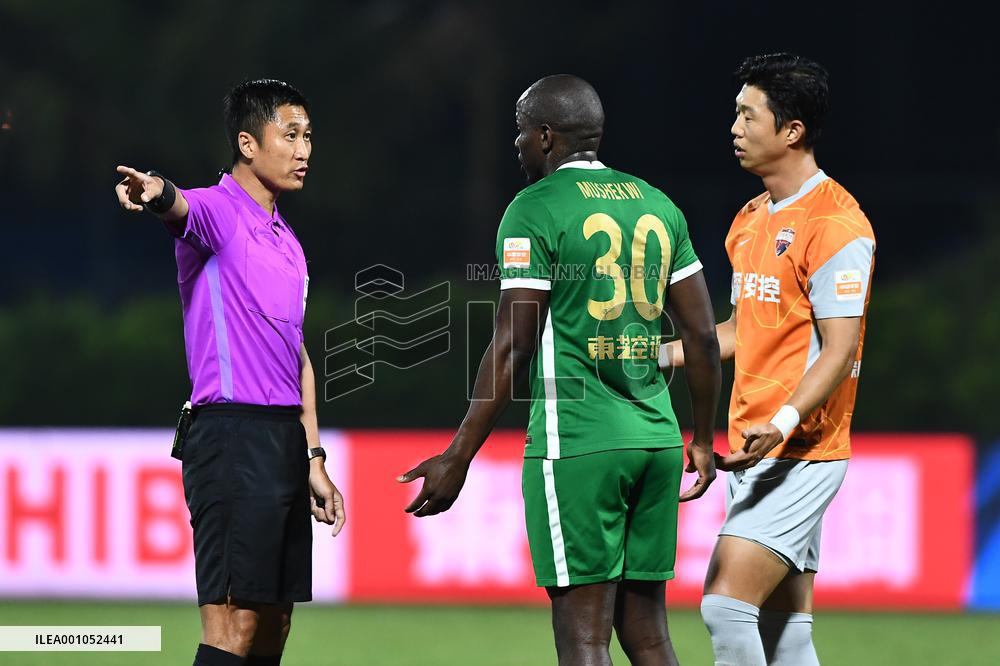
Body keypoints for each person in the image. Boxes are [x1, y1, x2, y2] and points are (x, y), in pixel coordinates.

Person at [398, 74, 721, 666]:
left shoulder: (535, 208)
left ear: (546, 137)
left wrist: (458, 454)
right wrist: (701, 438)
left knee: (583, 637)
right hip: (656, 441)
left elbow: (513, 345)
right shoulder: (657, 203)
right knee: (648, 634)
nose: (516, 144)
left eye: (520, 132)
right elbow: (701, 335)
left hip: (579, 444)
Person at [114, 79, 345, 666]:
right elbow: (177, 204)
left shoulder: (288, 243)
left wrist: (313, 455)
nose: (304, 151)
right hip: (230, 436)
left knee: (273, 623)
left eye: (309, 136)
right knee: (232, 626)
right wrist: (152, 190)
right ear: (247, 143)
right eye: (289, 135)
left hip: (284, 442)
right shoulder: (217, 211)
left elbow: (296, 353)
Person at [660, 53, 875, 665]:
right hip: (753, 445)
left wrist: (780, 424)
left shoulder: (837, 223)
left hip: (799, 449)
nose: (734, 128)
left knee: (724, 606)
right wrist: (658, 355)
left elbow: (840, 350)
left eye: (747, 116)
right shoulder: (750, 220)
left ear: (791, 131)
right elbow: (737, 330)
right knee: (786, 630)